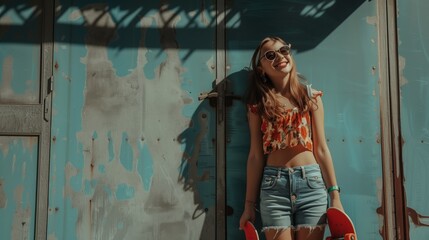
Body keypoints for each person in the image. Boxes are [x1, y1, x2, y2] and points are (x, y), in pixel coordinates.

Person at [239, 36, 344, 240]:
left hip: (311, 186)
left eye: (284, 50)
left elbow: (321, 149)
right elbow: (254, 156)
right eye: (270, 55)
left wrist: (335, 197)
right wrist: (248, 205)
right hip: (273, 187)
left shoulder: (311, 98)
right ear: (261, 69)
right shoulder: (258, 106)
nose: (279, 56)